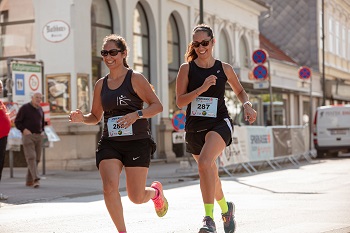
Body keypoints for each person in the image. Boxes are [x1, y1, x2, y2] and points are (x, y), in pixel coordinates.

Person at [69, 34, 167, 233]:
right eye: (104, 53)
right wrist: (82, 118)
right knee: (109, 186)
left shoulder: (136, 78)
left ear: (123, 54)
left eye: (113, 52)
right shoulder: (100, 84)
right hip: (110, 142)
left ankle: (156, 193)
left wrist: (137, 114)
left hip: (136, 141)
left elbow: (157, 106)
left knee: (136, 197)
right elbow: (95, 116)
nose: (108, 57)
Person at [176, 24, 257, 233]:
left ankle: (208, 219)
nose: (201, 47)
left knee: (204, 163)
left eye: (205, 43)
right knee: (210, 173)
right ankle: (226, 209)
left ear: (213, 42)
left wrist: (247, 105)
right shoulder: (187, 68)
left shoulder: (224, 68)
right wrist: (202, 87)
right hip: (194, 127)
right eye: (196, 43)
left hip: (219, 123)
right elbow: (179, 101)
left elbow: (240, 91)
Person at [15, 92, 45, 188]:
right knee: (31, 157)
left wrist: (42, 131)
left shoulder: (40, 109)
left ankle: (29, 180)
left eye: (40, 98)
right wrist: (24, 130)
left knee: (37, 159)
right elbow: (17, 122)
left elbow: (42, 122)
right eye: (37, 97)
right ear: (32, 98)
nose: (38, 99)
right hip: (28, 136)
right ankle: (35, 179)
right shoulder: (25, 108)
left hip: (38, 136)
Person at [0, 80, 11, 200]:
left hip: (2, 138)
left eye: (1, 87)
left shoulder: (1, 103)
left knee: (0, 165)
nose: (0, 89)